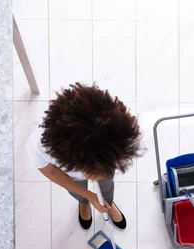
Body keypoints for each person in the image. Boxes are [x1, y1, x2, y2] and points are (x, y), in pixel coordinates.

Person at [27, 83, 143, 230]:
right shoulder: (37, 146)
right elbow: (50, 171)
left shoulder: (111, 133)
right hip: (72, 178)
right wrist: (89, 195)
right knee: (77, 190)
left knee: (106, 186)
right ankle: (84, 202)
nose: (91, 174)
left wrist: (102, 169)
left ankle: (108, 203)